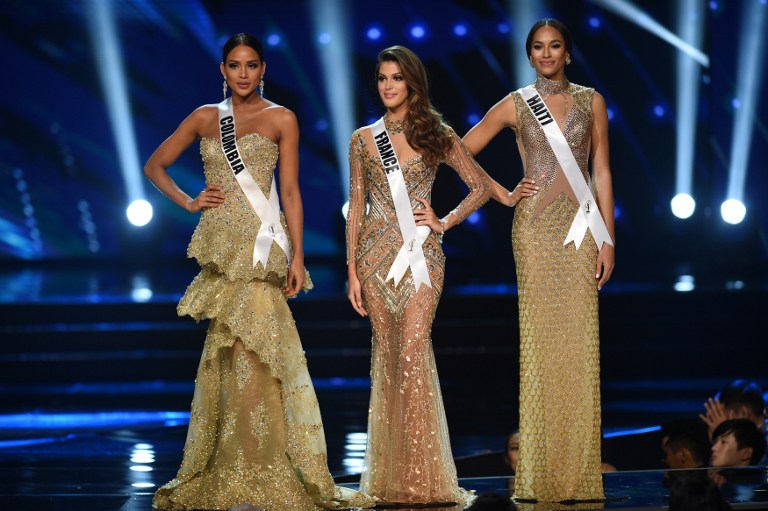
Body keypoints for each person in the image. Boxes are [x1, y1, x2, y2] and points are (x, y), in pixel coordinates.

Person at [144, 33, 373, 511]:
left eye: (251, 65)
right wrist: (189, 201)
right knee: (230, 358)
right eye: (234, 65)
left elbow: (290, 191)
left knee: (262, 353)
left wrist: (299, 255)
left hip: (263, 248)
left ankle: (268, 462)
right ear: (222, 70)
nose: (243, 73)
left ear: (263, 68)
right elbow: (155, 165)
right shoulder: (206, 118)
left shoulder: (281, 118)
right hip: (224, 252)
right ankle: (233, 464)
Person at [462, 18, 615, 502]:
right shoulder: (516, 103)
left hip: (580, 227)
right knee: (542, 346)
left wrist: (608, 239)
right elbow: (459, 150)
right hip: (534, 231)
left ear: (568, 53)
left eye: (555, 46)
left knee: (579, 344)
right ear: (529, 56)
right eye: (538, 47)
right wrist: (504, 193)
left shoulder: (593, 101)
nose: (546, 54)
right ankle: (542, 474)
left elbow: (602, 171)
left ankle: (578, 475)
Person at [346, 45, 490, 506]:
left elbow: (481, 187)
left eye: (397, 78)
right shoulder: (363, 140)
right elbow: (356, 210)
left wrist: (443, 221)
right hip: (373, 262)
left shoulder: (437, 133)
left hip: (421, 258)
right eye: (383, 78)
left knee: (411, 354)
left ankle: (421, 479)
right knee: (388, 362)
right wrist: (351, 270)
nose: (388, 86)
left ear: (412, 83)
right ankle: (391, 480)